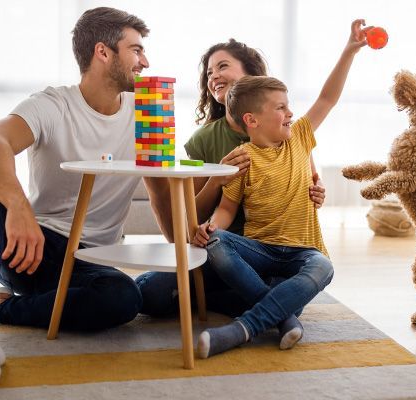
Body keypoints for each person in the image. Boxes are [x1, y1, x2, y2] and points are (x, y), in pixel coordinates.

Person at [0, 7, 151, 388]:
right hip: (32, 248)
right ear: (103, 52)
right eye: (136, 50)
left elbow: (162, 185)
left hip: (92, 259)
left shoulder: (146, 110)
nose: (145, 61)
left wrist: (189, 234)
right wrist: (19, 208)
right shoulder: (52, 104)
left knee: (122, 298)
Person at [191, 19, 371, 358]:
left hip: (300, 253)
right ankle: (283, 317)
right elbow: (227, 210)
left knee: (324, 267)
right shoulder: (242, 158)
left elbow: (328, 97)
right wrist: (211, 226)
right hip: (260, 252)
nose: (291, 113)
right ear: (252, 120)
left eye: (288, 106)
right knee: (215, 242)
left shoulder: (300, 137)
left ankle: (240, 329)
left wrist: (349, 50)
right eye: (281, 108)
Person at [134, 39, 327, 317]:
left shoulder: (285, 132)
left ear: (252, 76)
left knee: (288, 287)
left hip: (272, 251)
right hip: (220, 252)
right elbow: (191, 217)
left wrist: (318, 191)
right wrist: (216, 180)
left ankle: (234, 300)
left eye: (222, 66)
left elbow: (310, 182)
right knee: (148, 292)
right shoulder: (202, 140)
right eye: (209, 73)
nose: (214, 76)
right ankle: (268, 306)